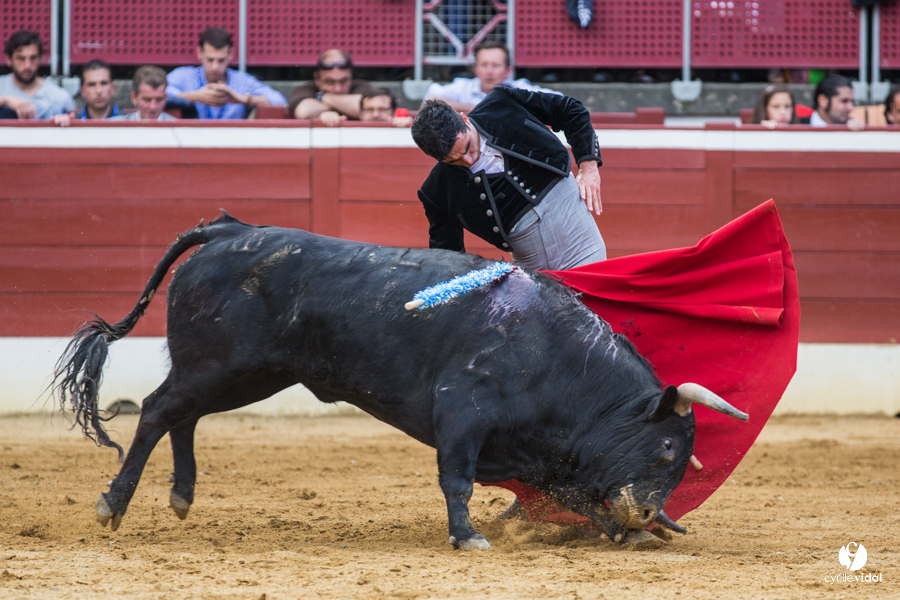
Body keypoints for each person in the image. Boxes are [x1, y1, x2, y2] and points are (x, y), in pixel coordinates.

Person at [411, 87, 606, 271]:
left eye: (468, 147)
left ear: (465, 119)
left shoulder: (501, 102)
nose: (468, 160)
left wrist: (589, 166)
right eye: (453, 161)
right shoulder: (435, 191)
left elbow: (571, 110)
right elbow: (447, 258)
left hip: (575, 227)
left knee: (595, 287)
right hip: (532, 264)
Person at [166, 27, 286, 119]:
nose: (215, 67)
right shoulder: (184, 75)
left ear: (230, 54)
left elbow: (280, 101)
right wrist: (196, 96)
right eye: (210, 60)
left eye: (221, 60)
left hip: (234, 141)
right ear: (199, 53)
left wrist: (243, 99)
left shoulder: (242, 80)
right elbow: (161, 93)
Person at [423, 41, 560, 113]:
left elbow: (558, 100)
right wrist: (475, 108)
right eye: (484, 65)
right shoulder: (463, 87)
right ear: (475, 69)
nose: (489, 71)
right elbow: (429, 101)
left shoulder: (520, 89)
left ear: (508, 71)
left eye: (495, 65)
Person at [0, 30, 75, 119]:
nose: (27, 65)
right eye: (20, 58)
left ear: (40, 58)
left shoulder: (60, 97)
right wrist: (6, 100)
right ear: (9, 59)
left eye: (33, 58)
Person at [288, 49, 377, 122]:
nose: (337, 89)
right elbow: (304, 111)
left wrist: (323, 97)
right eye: (330, 82)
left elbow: (367, 107)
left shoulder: (362, 86)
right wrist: (344, 106)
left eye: (343, 81)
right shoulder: (305, 89)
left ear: (351, 76)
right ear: (317, 79)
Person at [50, 59, 120, 126]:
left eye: (104, 83)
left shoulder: (125, 119)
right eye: (92, 85)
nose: (98, 91)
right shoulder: (71, 122)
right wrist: (59, 127)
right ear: (82, 91)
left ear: (112, 88)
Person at [111, 66, 176, 121]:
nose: (153, 107)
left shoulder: (178, 128)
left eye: (159, 99)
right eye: (147, 100)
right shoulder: (114, 127)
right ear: (134, 98)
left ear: (165, 98)